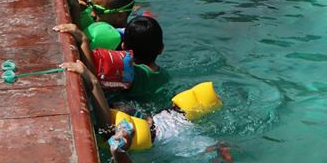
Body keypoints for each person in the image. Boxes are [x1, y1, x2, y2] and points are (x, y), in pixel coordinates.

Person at [61, 62, 223, 159]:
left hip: (153, 122)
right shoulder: (191, 136)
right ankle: (120, 143)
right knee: (109, 133)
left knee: (110, 125)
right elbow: (213, 148)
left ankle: (122, 138)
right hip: (154, 130)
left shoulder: (174, 114)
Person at [52, 0, 135, 49]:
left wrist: (75, 7)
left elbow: (80, 51)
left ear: (120, 15)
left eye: (98, 10)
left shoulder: (111, 37)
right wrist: (80, 7)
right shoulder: (99, 21)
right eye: (91, 5)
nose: (92, 14)